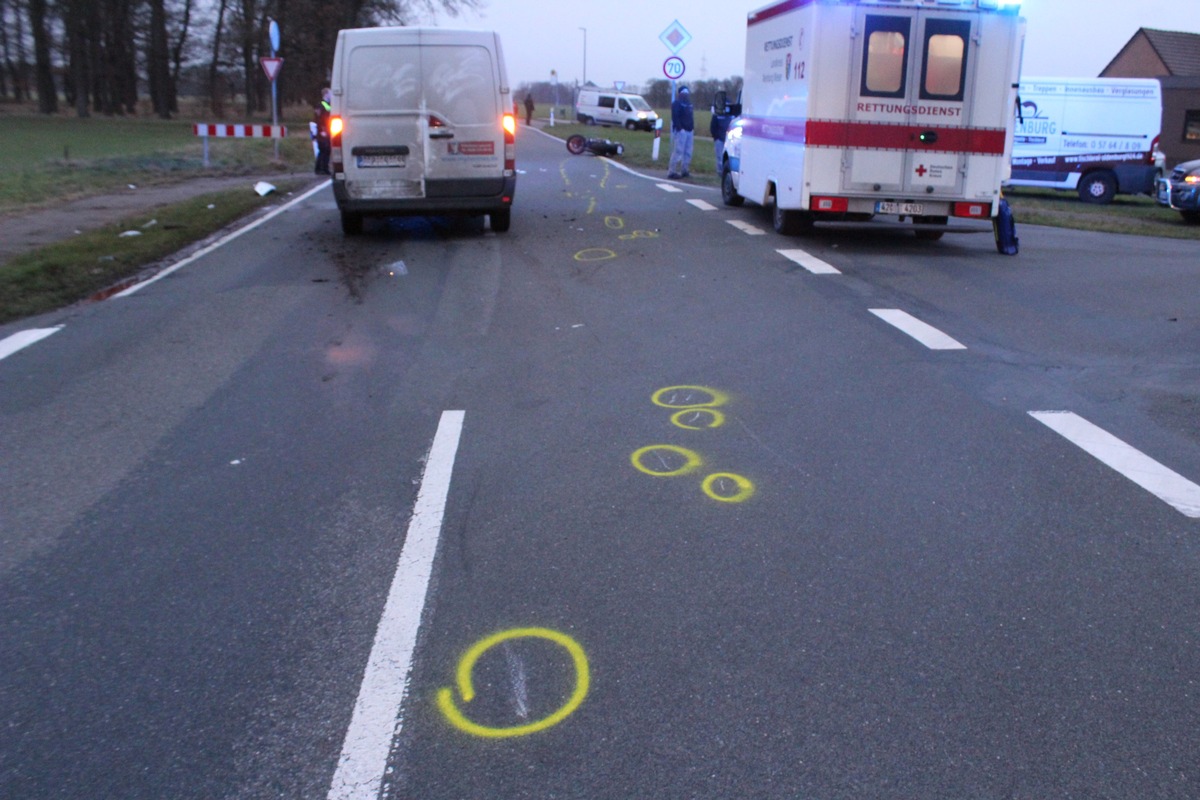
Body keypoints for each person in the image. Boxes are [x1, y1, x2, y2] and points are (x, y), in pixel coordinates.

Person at [667, 85, 694, 179]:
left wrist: (691, 128)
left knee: (688, 152)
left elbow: (691, 117)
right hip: (681, 130)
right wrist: (679, 128)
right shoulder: (677, 103)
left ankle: (685, 170)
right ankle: (672, 171)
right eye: (684, 92)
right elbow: (675, 117)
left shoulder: (689, 104)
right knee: (678, 151)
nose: (686, 94)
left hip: (689, 130)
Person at [314, 88, 332, 175]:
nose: (331, 95)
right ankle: (322, 168)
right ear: (326, 95)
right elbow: (320, 119)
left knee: (325, 150)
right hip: (323, 131)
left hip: (327, 130)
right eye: (330, 93)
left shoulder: (327, 105)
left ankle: (322, 168)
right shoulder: (321, 105)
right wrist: (322, 130)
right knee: (324, 149)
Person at [710, 101, 732, 174]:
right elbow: (712, 127)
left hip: (728, 140)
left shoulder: (731, 116)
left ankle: (725, 171)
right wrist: (716, 137)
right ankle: (719, 171)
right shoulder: (717, 115)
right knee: (719, 156)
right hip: (719, 139)